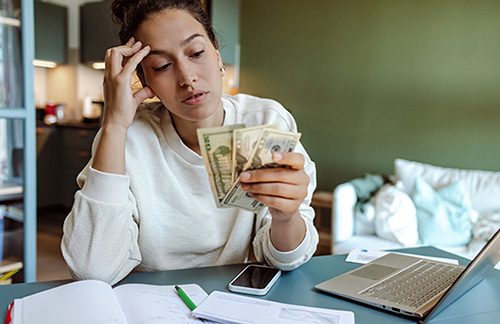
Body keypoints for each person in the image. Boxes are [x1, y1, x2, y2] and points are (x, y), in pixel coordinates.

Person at [61, 0, 319, 285]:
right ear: (144, 80)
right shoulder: (126, 136)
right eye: (162, 66)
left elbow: (288, 258)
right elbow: (92, 270)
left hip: (236, 300)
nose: (187, 77)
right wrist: (114, 123)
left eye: (196, 52)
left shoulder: (265, 120)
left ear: (218, 57)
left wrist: (286, 217)